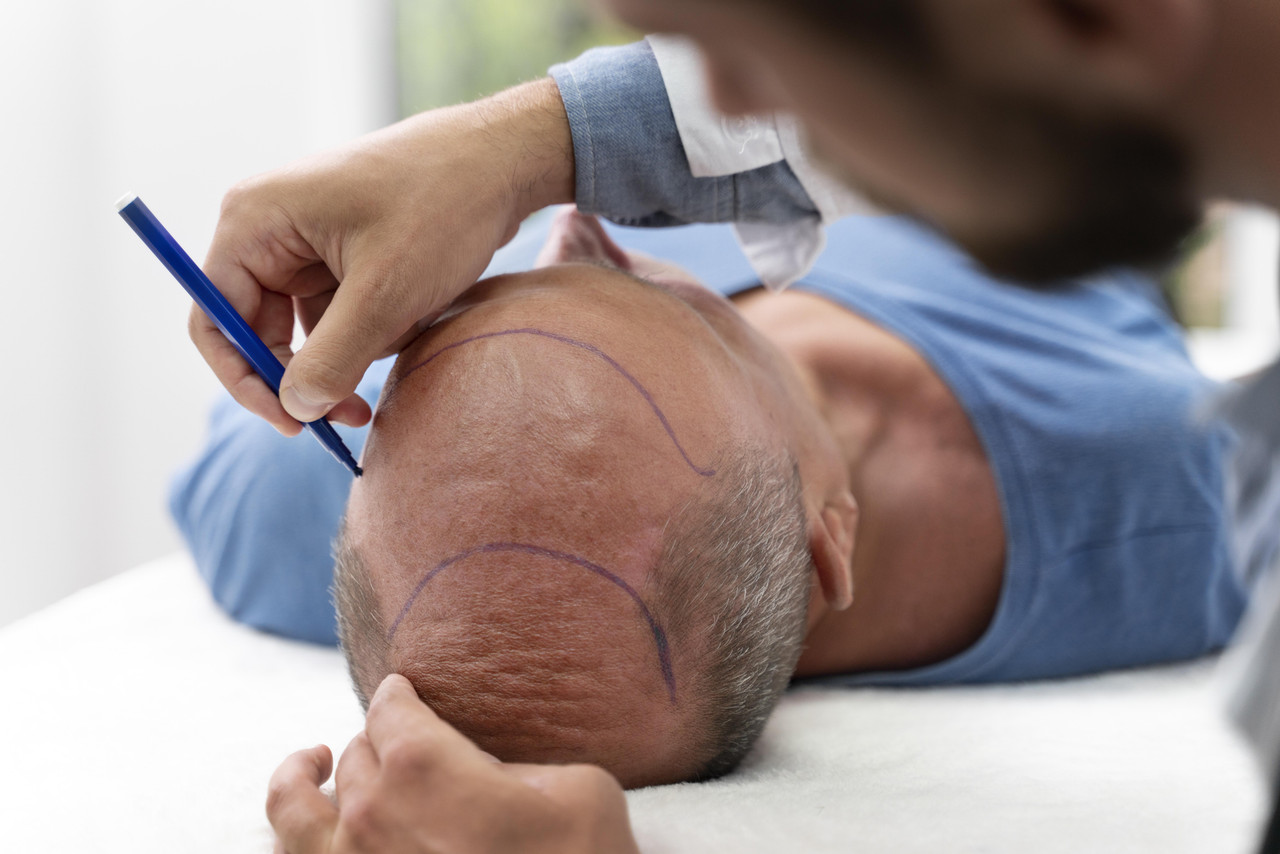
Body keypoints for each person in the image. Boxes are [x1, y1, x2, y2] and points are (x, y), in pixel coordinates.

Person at [174, 213, 1258, 828]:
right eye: (652, 296)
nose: (569, 227)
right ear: (822, 539)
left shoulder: (303, 488)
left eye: (485, 302)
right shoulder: (1181, 489)